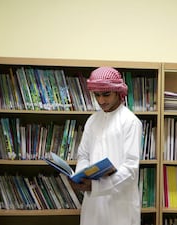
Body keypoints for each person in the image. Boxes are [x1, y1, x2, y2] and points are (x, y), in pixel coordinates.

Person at [70, 67, 142, 225]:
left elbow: (130, 170)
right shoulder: (92, 120)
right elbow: (83, 155)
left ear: (118, 92)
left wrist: (97, 186)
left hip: (120, 206)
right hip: (93, 205)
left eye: (106, 94)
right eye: (97, 95)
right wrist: (81, 176)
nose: (101, 100)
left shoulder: (130, 122)